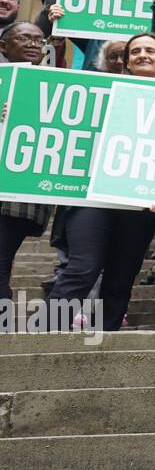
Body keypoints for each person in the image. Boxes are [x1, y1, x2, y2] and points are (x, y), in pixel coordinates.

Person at [44, 33, 155, 331]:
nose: (143, 55)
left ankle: (105, 343)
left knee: (120, 279)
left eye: (150, 50)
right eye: (135, 51)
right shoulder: (101, 91)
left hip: (140, 206)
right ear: (127, 61)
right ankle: (42, 337)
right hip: (93, 198)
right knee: (81, 268)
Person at [0, 22, 53, 307]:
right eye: (25, 38)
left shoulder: (56, 87)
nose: (34, 44)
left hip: (20, 199)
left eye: (39, 39)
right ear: (4, 46)